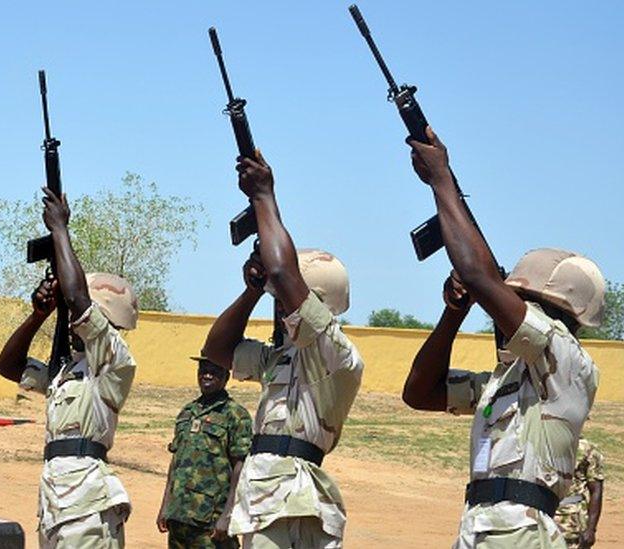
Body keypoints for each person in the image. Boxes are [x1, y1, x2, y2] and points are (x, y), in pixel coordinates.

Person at [401, 127, 603, 548]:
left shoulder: (566, 359)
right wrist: (453, 313)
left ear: (555, 310)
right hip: (481, 527)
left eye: (519, 299)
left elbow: (477, 274)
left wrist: (442, 180)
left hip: (522, 533)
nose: (506, 308)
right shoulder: (509, 381)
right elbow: (419, 393)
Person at [201, 150, 364, 548]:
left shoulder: (338, 354)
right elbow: (217, 351)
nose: (278, 308)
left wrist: (264, 196)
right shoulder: (281, 356)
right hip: (263, 496)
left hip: (296, 502)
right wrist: (251, 291)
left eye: (282, 300)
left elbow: (283, 274)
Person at [0, 188, 138, 548]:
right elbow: (8, 367)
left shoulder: (113, 361)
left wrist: (60, 229)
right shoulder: (66, 371)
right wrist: (38, 316)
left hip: (89, 503)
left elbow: (77, 300)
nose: (74, 319)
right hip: (54, 500)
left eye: (80, 316)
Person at [157, 356, 252, 549]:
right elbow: (176, 461)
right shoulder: (187, 412)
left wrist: (227, 517)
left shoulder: (235, 414)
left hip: (210, 521)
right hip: (179, 516)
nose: (207, 375)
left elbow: (241, 468)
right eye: (203, 370)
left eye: (214, 370)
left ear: (226, 376)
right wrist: (165, 505)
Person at [555, 437, 604, 549]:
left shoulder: (587, 449)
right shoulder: (540, 445)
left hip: (571, 523)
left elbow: (596, 490)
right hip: (541, 518)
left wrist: (591, 529)